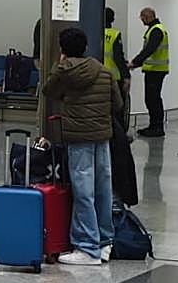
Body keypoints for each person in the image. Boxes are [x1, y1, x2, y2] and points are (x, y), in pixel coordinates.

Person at [41, 26, 122, 266]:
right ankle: (105, 242)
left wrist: (59, 64)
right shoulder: (104, 71)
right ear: (86, 48)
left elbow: (49, 91)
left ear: (63, 49)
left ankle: (87, 247)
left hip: (78, 138)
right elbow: (117, 104)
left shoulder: (64, 72)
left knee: (83, 191)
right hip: (102, 137)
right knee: (103, 188)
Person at [129, 7, 169, 137]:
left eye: (143, 17)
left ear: (148, 16)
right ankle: (153, 126)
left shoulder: (156, 30)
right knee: (151, 99)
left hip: (156, 71)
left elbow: (149, 50)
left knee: (153, 99)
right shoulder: (155, 29)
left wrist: (134, 62)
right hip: (154, 70)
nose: (142, 20)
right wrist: (137, 64)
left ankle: (157, 128)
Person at [103, 7, 131, 131]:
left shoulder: (93, 32)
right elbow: (118, 58)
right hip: (114, 77)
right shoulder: (114, 34)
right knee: (118, 107)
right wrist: (126, 76)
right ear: (112, 19)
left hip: (97, 76)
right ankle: (119, 135)